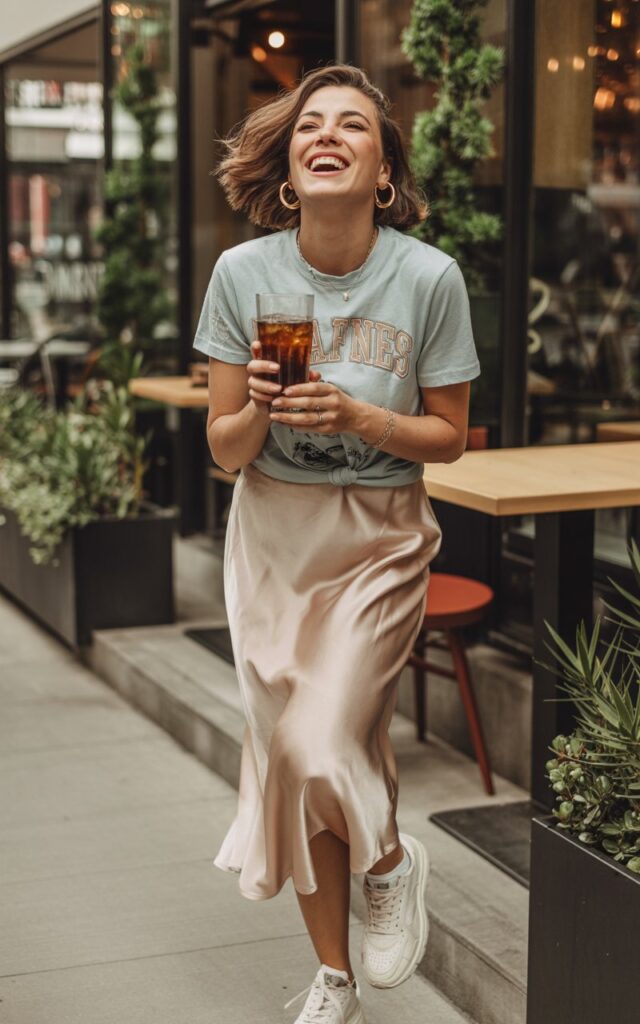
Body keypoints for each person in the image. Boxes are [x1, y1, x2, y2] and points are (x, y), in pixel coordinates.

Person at [193, 63, 480, 1024]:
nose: (328, 135)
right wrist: (263, 414)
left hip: (377, 535)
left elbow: (450, 434)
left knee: (321, 743)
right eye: (311, 123)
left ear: (382, 169)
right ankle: (337, 977)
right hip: (272, 536)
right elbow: (224, 450)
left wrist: (360, 416)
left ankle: (392, 864)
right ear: (290, 166)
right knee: (297, 755)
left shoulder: (428, 278)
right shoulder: (247, 275)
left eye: (353, 126)